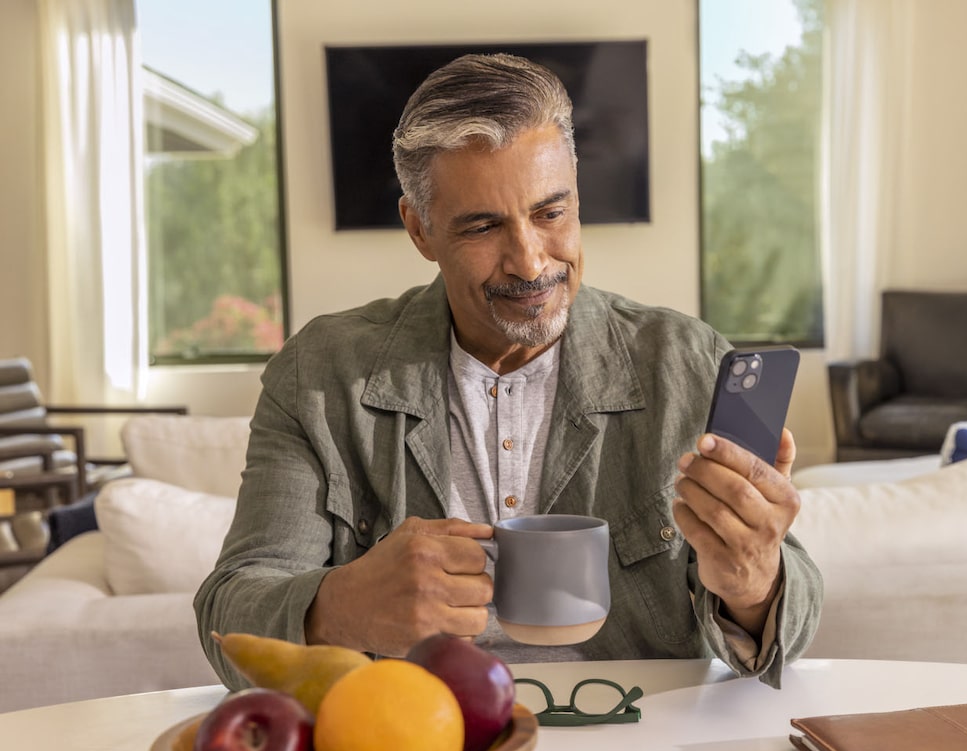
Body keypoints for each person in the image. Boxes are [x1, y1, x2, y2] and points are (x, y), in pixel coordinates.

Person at [194, 53, 822, 690]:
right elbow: (229, 616)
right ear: (420, 229)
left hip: (636, 736)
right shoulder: (321, 375)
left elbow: (791, 633)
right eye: (484, 226)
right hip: (415, 743)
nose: (529, 262)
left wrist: (752, 582)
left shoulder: (687, 362)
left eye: (551, 213)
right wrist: (339, 607)